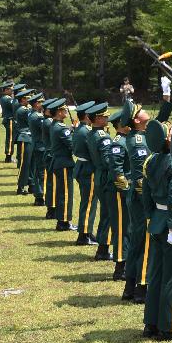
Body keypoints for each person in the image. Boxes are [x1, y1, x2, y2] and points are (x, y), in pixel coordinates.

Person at [141, 117, 172, 341]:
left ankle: (151, 323)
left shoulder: (152, 161)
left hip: (158, 220)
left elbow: (146, 195)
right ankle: (169, 326)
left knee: (157, 275)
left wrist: (152, 216)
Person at [121, 99, 172, 304]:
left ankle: (131, 286)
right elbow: (141, 175)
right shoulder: (137, 141)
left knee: (138, 241)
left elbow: (159, 123)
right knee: (144, 242)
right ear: (136, 119)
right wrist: (150, 200)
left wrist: (168, 100)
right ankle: (141, 286)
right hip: (142, 198)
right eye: (141, 110)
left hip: (141, 197)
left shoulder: (142, 135)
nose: (145, 112)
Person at [104, 111, 132, 283]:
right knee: (122, 228)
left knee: (128, 228)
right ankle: (120, 266)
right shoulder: (118, 143)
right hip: (118, 191)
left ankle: (126, 262)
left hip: (125, 191)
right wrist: (127, 188)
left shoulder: (126, 140)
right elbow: (116, 171)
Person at [85, 103, 114, 262]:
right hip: (105, 176)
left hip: (98, 175)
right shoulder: (103, 137)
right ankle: (103, 250)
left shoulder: (91, 133)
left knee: (105, 213)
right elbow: (109, 161)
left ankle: (103, 248)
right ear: (97, 118)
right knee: (109, 214)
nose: (107, 118)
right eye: (105, 116)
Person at [71, 101, 99, 245]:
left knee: (87, 202)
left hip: (82, 167)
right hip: (89, 169)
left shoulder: (80, 129)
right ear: (88, 115)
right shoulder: (87, 132)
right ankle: (84, 235)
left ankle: (86, 231)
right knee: (89, 203)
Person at [48, 99, 77, 233]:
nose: (66, 112)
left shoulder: (56, 125)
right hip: (64, 163)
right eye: (64, 110)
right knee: (65, 194)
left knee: (62, 193)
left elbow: (64, 136)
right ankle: (64, 222)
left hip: (59, 162)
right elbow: (72, 146)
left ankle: (62, 220)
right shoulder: (61, 128)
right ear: (59, 112)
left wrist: (71, 130)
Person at [26, 94, 47, 208]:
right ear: (36, 104)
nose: (42, 104)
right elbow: (46, 129)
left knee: (38, 171)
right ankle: (39, 196)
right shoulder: (38, 117)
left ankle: (38, 195)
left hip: (36, 145)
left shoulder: (32, 114)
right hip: (40, 147)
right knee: (41, 173)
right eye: (41, 102)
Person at [0, 81, 16, 163]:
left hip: (10, 120)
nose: (12, 91)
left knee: (11, 138)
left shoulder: (8, 98)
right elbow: (15, 106)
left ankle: (9, 156)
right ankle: (8, 157)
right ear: (6, 90)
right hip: (9, 120)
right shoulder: (7, 98)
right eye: (11, 89)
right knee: (10, 139)